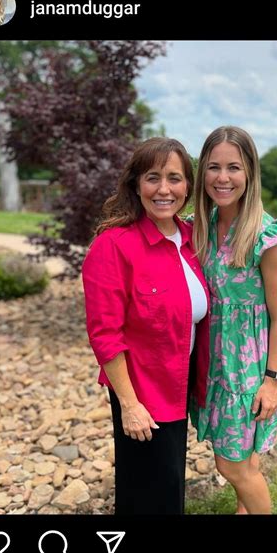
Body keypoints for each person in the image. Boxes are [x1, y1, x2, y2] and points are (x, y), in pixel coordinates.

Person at [82, 138, 209, 515]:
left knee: (170, 483)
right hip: (141, 391)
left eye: (175, 178)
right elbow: (105, 335)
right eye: (153, 177)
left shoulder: (192, 238)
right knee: (145, 492)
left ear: (188, 186)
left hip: (180, 382)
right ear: (136, 185)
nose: (164, 189)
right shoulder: (113, 245)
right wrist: (130, 404)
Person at [190, 126, 277, 515]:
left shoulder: (267, 237)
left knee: (232, 466)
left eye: (233, 167)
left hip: (247, 370)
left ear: (250, 172)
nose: (223, 178)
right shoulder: (201, 226)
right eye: (214, 167)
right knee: (247, 459)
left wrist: (272, 381)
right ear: (202, 172)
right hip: (212, 360)